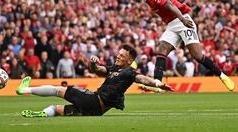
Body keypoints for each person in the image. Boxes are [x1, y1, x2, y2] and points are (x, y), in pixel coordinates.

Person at [124, 0, 234, 91]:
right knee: (162, 49)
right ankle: (157, 84)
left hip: (182, 20)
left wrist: (182, 19)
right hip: (172, 25)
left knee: (197, 56)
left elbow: (170, 5)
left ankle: (223, 76)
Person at [15, 44, 173, 117]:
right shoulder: (113, 69)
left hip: (94, 101)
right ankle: (41, 114)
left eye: (121, 56)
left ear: (129, 60)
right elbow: (97, 70)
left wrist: (158, 83)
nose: (117, 56)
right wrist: (93, 62)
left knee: (58, 90)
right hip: (96, 112)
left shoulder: (129, 72)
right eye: (118, 54)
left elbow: (142, 79)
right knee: (56, 109)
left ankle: (25, 90)